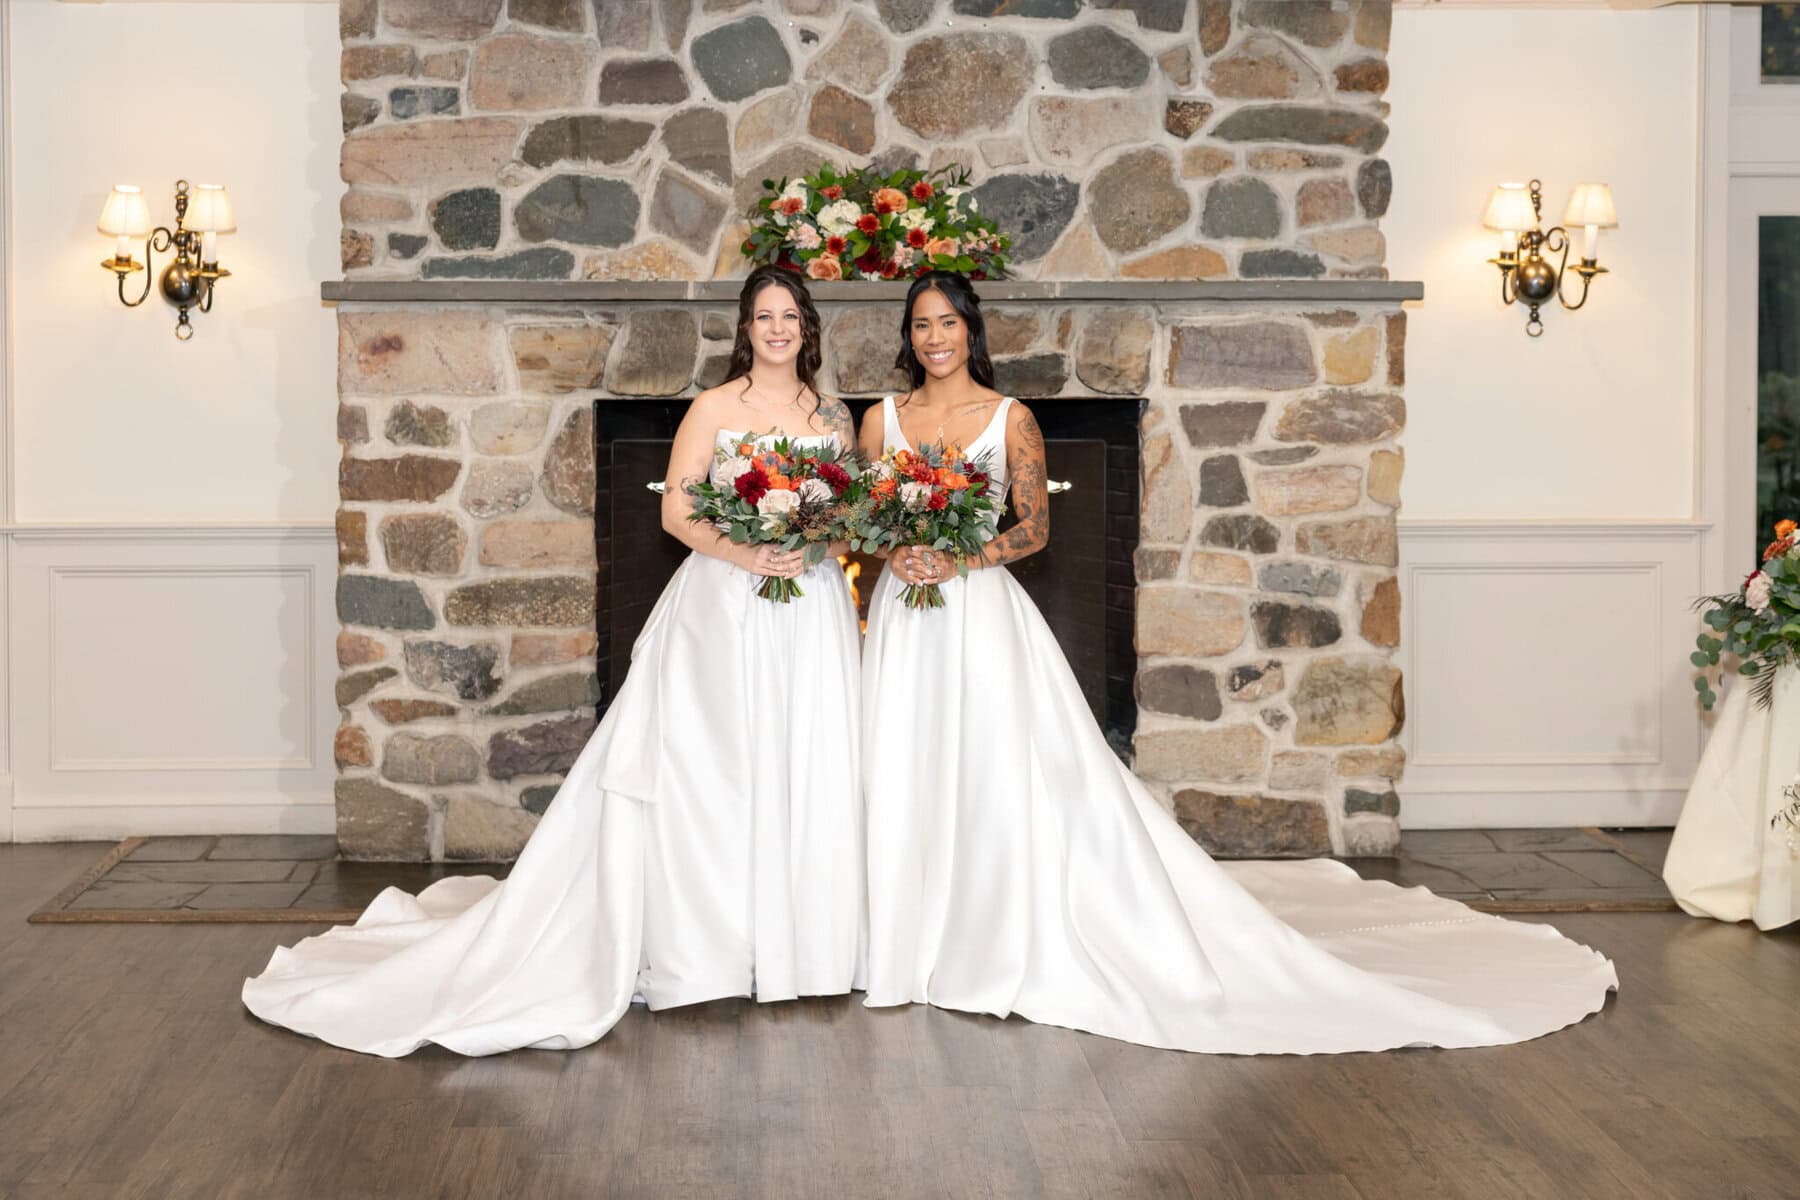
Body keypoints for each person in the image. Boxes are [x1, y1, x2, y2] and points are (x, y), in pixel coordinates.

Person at [858, 270, 1618, 1053]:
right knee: (903, 758)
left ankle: (987, 931)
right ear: (908, 336)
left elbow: (1035, 527)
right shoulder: (883, 420)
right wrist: (900, 551)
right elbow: (862, 521)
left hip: (978, 613)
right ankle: (905, 931)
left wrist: (958, 558)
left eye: (947, 322)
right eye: (921, 325)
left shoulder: (1010, 418)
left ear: (970, 329)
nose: (935, 338)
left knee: (991, 764)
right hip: (906, 617)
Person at [243, 265, 866, 1057]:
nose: (777, 329)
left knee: (803, 756)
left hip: (808, 607)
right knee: (718, 765)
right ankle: (714, 942)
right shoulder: (715, 408)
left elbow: (847, 514)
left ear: (807, 327)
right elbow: (678, 511)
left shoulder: (831, 416)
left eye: (789, 316)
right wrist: (750, 553)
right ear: (745, 329)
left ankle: (802, 940)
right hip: (728, 605)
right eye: (764, 316)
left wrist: (810, 545)